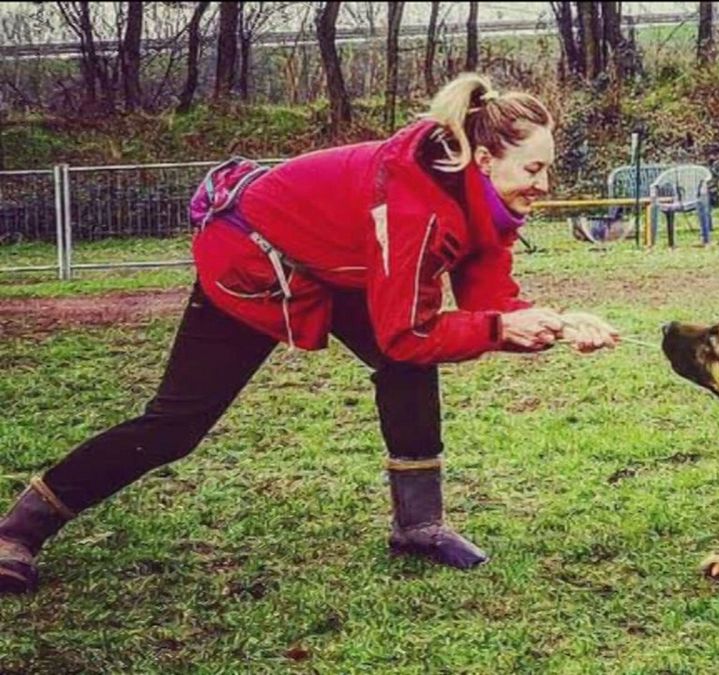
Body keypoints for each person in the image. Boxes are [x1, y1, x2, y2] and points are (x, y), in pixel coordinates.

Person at [0, 73, 619, 594]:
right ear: (485, 159)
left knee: (404, 369)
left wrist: (558, 324)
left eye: (547, 169)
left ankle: (419, 525)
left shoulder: (481, 199)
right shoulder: (416, 208)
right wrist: (497, 327)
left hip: (336, 266)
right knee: (176, 423)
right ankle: (18, 530)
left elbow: (490, 302)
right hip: (252, 260)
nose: (543, 184)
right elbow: (411, 331)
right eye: (534, 169)